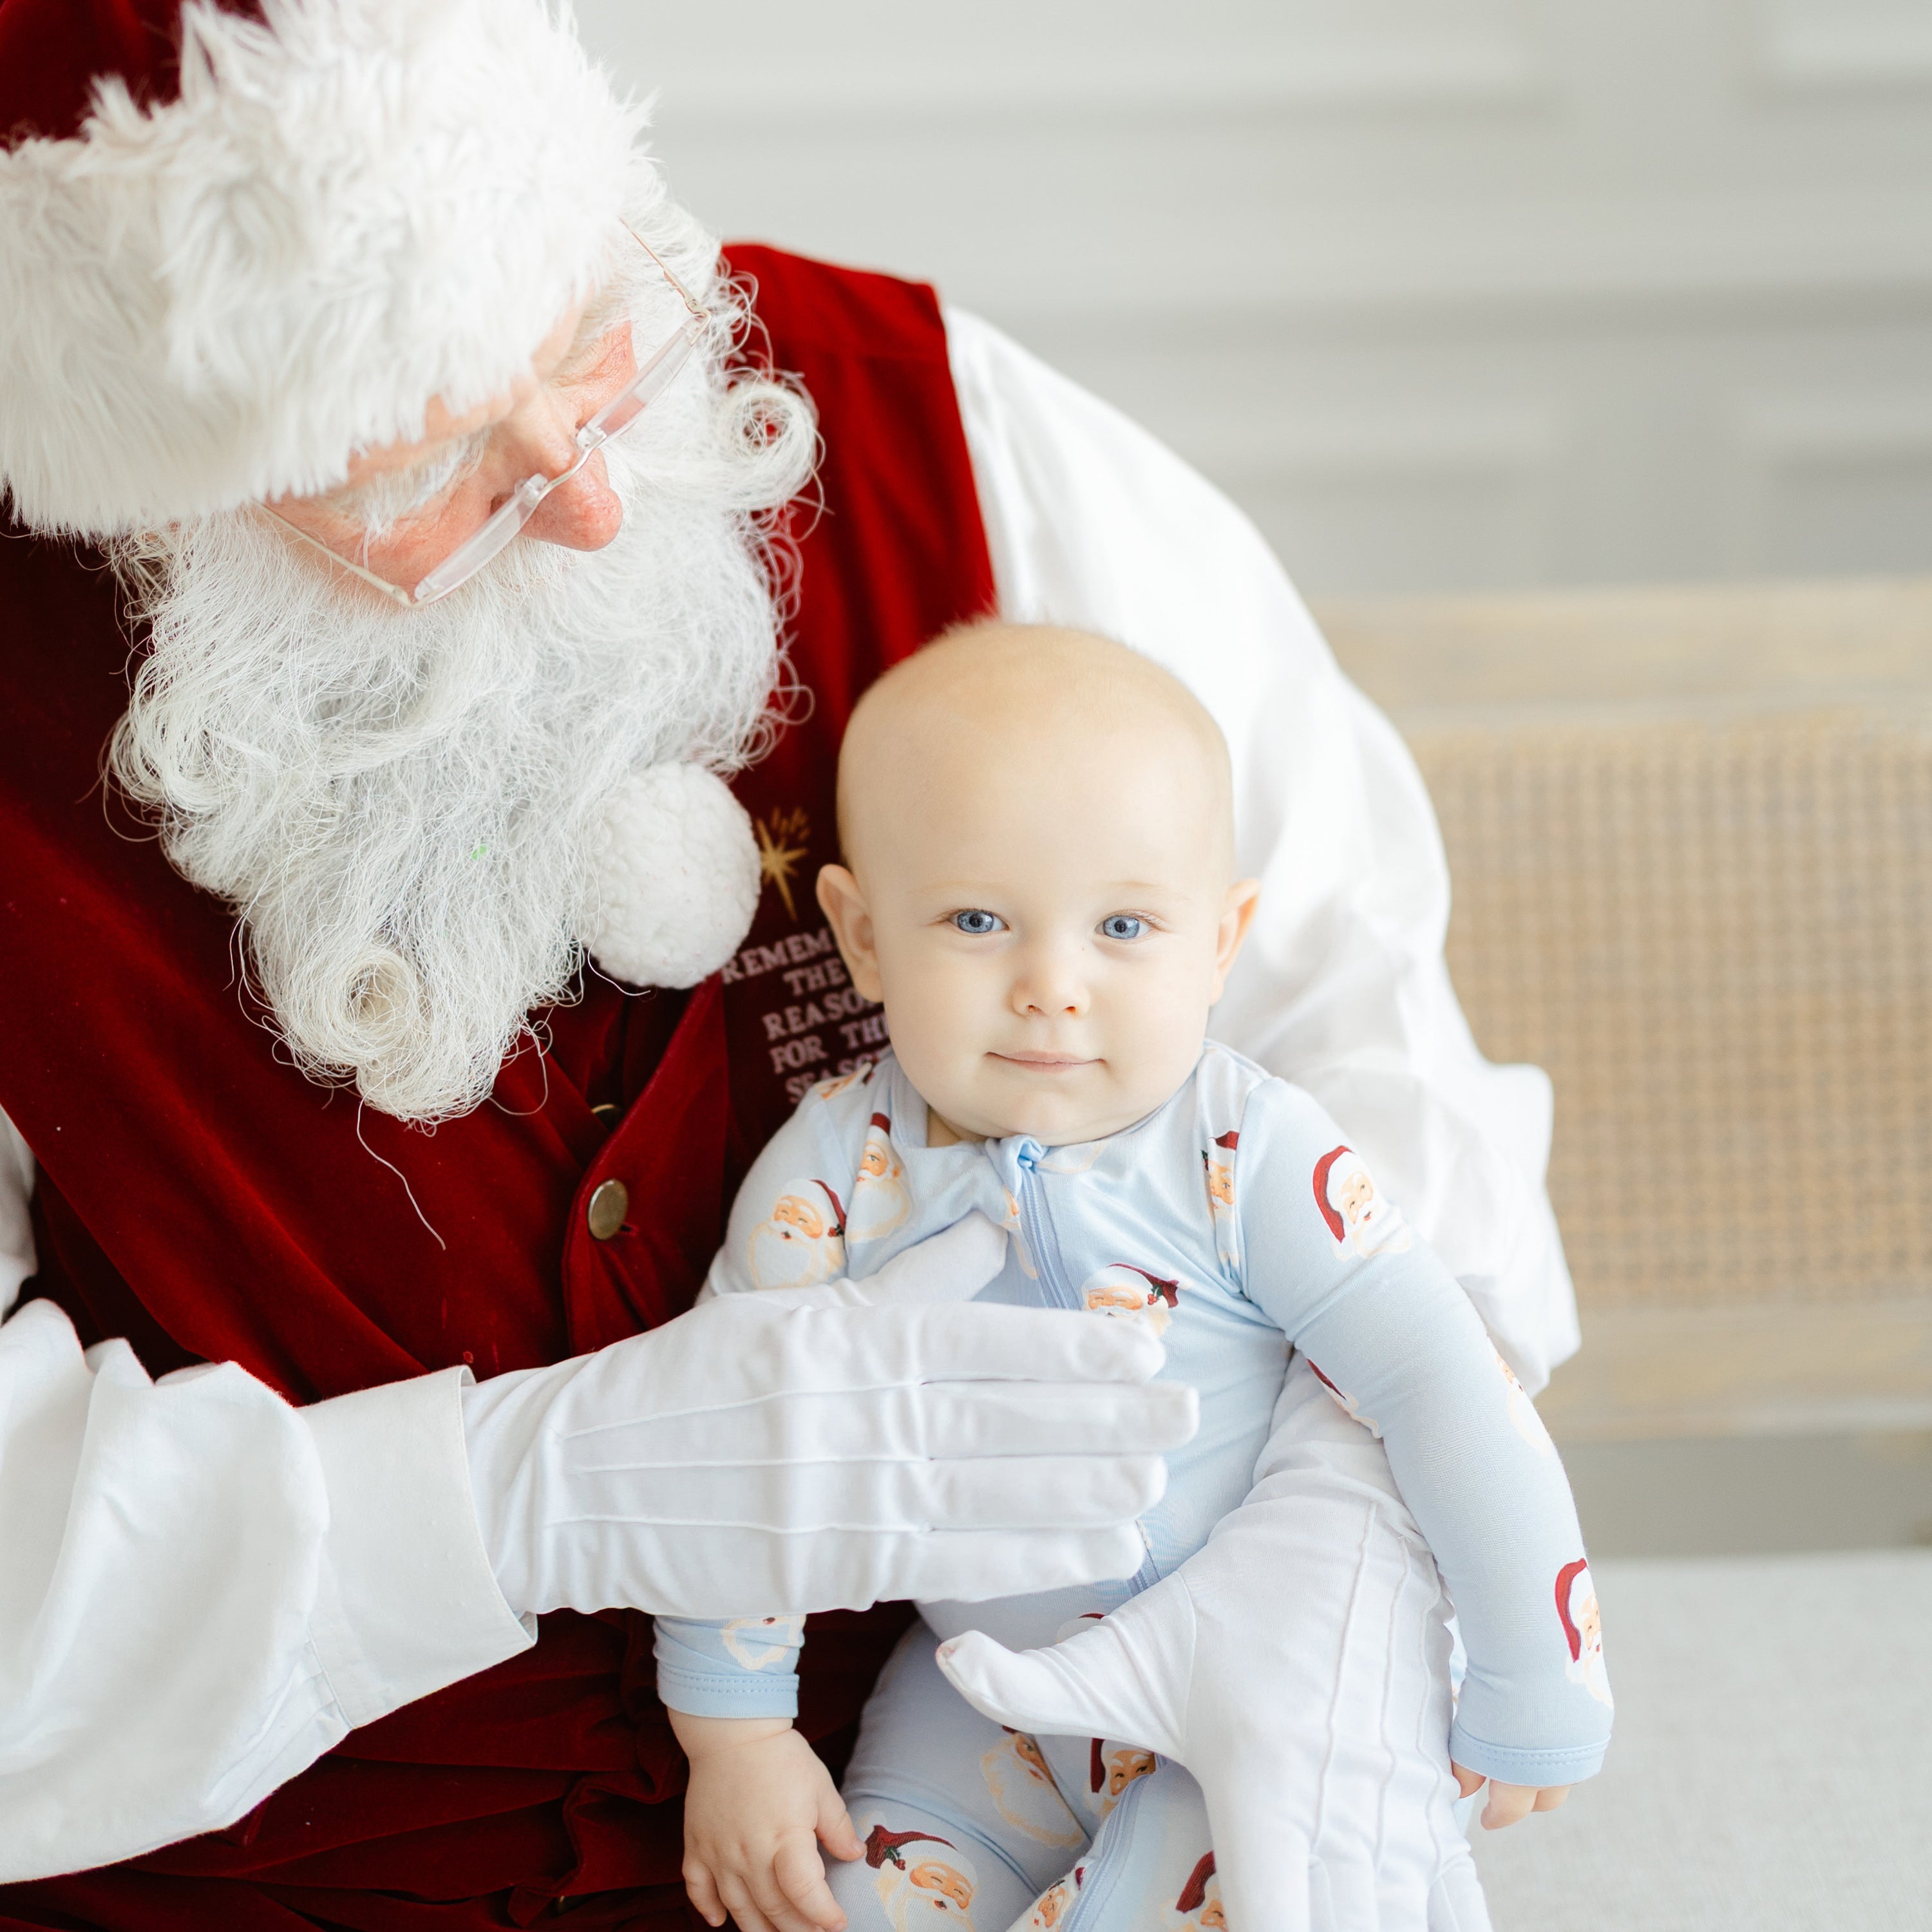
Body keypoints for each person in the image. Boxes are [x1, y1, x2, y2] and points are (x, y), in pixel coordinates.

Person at [0, 1, 1577, 1924]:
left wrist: (1368, 1504)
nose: (588, 490)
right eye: (422, 474)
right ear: (166, 507)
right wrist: (519, 1492)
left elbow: (1340, 964)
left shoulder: (935, 422)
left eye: (591, 336)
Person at [659, 626, 1610, 1932]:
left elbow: (1446, 1385)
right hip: (978, 1700)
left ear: (1220, 943)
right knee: (849, 1912)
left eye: (1123, 926)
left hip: (1252, 1707)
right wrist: (736, 1732)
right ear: (864, 937)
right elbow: (733, 1441)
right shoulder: (832, 1177)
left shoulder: (1250, 1154)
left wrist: (1535, 1675)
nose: (1054, 987)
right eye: (979, 921)